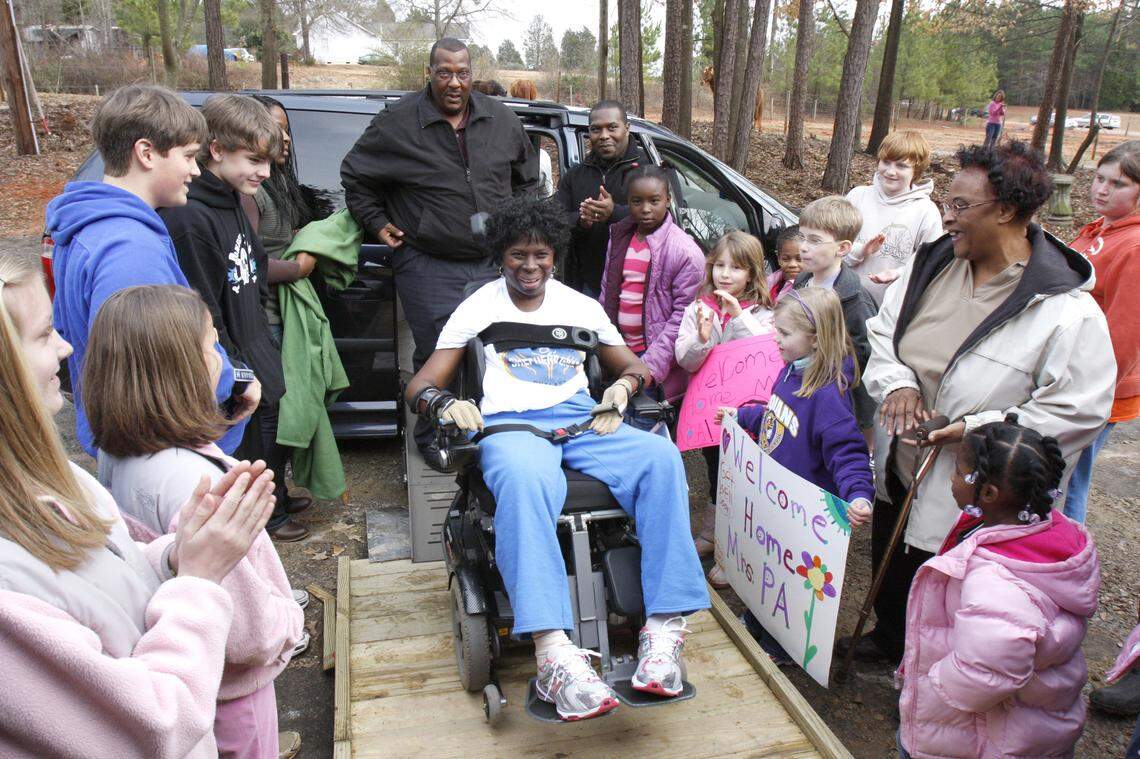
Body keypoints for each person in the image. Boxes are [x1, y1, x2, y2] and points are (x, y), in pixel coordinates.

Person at [405, 197, 709, 721]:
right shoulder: (479, 306)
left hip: (579, 418)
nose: (530, 266)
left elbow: (633, 366)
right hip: (510, 424)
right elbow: (421, 382)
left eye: (541, 255)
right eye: (518, 255)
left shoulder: (580, 307)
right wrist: (444, 402)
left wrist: (623, 387)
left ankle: (662, 632)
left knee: (660, 458)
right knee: (523, 479)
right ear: (501, 255)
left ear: (555, 257)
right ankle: (552, 651)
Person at [846, 140, 1115, 665]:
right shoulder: (933, 265)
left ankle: (939, 673)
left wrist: (976, 427)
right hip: (903, 462)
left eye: (960, 207)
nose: (946, 218)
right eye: (946, 204)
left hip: (974, 492)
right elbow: (882, 334)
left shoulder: (1066, 312)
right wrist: (897, 382)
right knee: (895, 551)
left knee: (954, 583)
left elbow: (1077, 410)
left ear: (1008, 211)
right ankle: (889, 639)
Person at [0, 247, 276, 757]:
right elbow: (153, 725)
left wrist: (173, 557)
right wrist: (200, 580)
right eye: (42, 335)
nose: (65, 348)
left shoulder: (62, 481)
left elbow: (106, 575)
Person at [84, 284, 306, 759]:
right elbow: (248, 630)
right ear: (185, 368)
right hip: (230, 696)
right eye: (211, 344)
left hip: (188, 673)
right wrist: (290, 622)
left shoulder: (119, 451)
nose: (220, 356)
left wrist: (226, 425)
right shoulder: (202, 486)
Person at [340, 38, 539, 464]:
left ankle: (492, 427)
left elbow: (528, 181)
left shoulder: (501, 120)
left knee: (497, 348)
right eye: (444, 72)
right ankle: (433, 434)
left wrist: (519, 231)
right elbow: (355, 177)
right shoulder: (397, 123)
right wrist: (377, 222)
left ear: (472, 74)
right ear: (429, 74)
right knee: (438, 350)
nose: (453, 82)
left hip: (493, 260)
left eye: (462, 73)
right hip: (427, 260)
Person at [46, 84, 255, 458]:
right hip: (160, 447)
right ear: (146, 153)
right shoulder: (129, 252)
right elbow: (154, 370)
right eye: (189, 156)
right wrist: (235, 380)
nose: (195, 170)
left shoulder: (92, 227)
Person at [896, 414, 1098, 759]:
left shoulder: (995, 583)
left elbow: (987, 672)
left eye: (959, 471)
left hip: (983, 738)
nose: (952, 477)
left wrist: (933, 680)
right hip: (1029, 720)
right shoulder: (1044, 532)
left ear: (988, 492)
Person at [158, 94, 309, 542]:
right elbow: (202, 311)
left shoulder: (234, 200)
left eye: (269, 160)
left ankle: (269, 509)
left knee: (265, 452)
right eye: (254, 160)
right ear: (217, 149)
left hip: (256, 353)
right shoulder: (189, 218)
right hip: (231, 376)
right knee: (240, 471)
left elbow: (255, 269)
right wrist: (237, 375)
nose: (264, 172)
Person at [717, 287, 873, 657]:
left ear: (815, 339)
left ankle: (780, 645)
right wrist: (744, 416)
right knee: (766, 565)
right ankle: (756, 623)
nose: (775, 338)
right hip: (775, 498)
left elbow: (847, 451)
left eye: (784, 333)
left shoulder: (828, 394)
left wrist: (858, 494)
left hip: (804, 514)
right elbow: (778, 418)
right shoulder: (790, 372)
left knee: (792, 581)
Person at [674, 230, 775, 575]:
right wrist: (703, 337)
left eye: (736, 268)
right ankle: (711, 532)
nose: (725, 275)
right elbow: (686, 360)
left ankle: (737, 549)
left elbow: (768, 353)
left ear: (752, 273)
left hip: (748, 413)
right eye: (719, 266)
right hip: (711, 415)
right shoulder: (699, 309)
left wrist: (739, 316)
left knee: (744, 476)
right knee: (715, 470)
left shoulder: (764, 312)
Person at [1064, 141, 1140, 523]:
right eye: (1099, 178)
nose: (1102, 189)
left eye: (1119, 183)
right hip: (1070, 375)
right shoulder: (1100, 229)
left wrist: (1092, 390)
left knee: (1069, 482)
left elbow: (1125, 335)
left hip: (1096, 388)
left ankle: (1067, 565)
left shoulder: (1135, 246)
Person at [599, 165, 704, 406]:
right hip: (619, 352)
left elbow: (683, 318)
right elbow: (607, 292)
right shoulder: (619, 238)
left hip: (654, 362)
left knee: (646, 427)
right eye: (637, 201)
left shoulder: (685, 252)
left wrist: (648, 367)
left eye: (654, 201)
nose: (645, 209)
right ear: (627, 201)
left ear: (668, 200)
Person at [791, 195, 877, 432]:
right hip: (798, 392)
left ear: (842, 248)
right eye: (802, 237)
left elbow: (865, 357)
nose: (803, 247)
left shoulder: (855, 299)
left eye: (815, 240)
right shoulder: (802, 281)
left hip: (834, 407)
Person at [554, 100, 652, 296]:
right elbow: (554, 220)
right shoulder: (576, 175)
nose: (604, 136)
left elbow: (666, 220)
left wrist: (613, 213)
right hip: (587, 285)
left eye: (612, 127)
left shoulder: (650, 171)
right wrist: (581, 221)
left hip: (638, 286)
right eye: (596, 129)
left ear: (627, 128)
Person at [246, 94, 316, 347]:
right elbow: (247, 264)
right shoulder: (249, 191)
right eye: (276, 130)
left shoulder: (278, 183)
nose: (286, 138)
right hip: (265, 319)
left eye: (286, 131)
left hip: (281, 315)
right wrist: (299, 268)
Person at [845, 130, 943, 304]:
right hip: (844, 299)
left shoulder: (926, 212)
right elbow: (832, 245)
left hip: (889, 311)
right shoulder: (857, 196)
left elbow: (931, 264)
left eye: (901, 166)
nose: (890, 171)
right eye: (886, 162)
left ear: (916, 170)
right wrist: (860, 251)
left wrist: (898, 273)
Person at [767, 224, 802, 303]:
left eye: (799, 259)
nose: (792, 264)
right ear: (778, 258)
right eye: (786, 259)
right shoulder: (772, 281)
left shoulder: (805, 293)